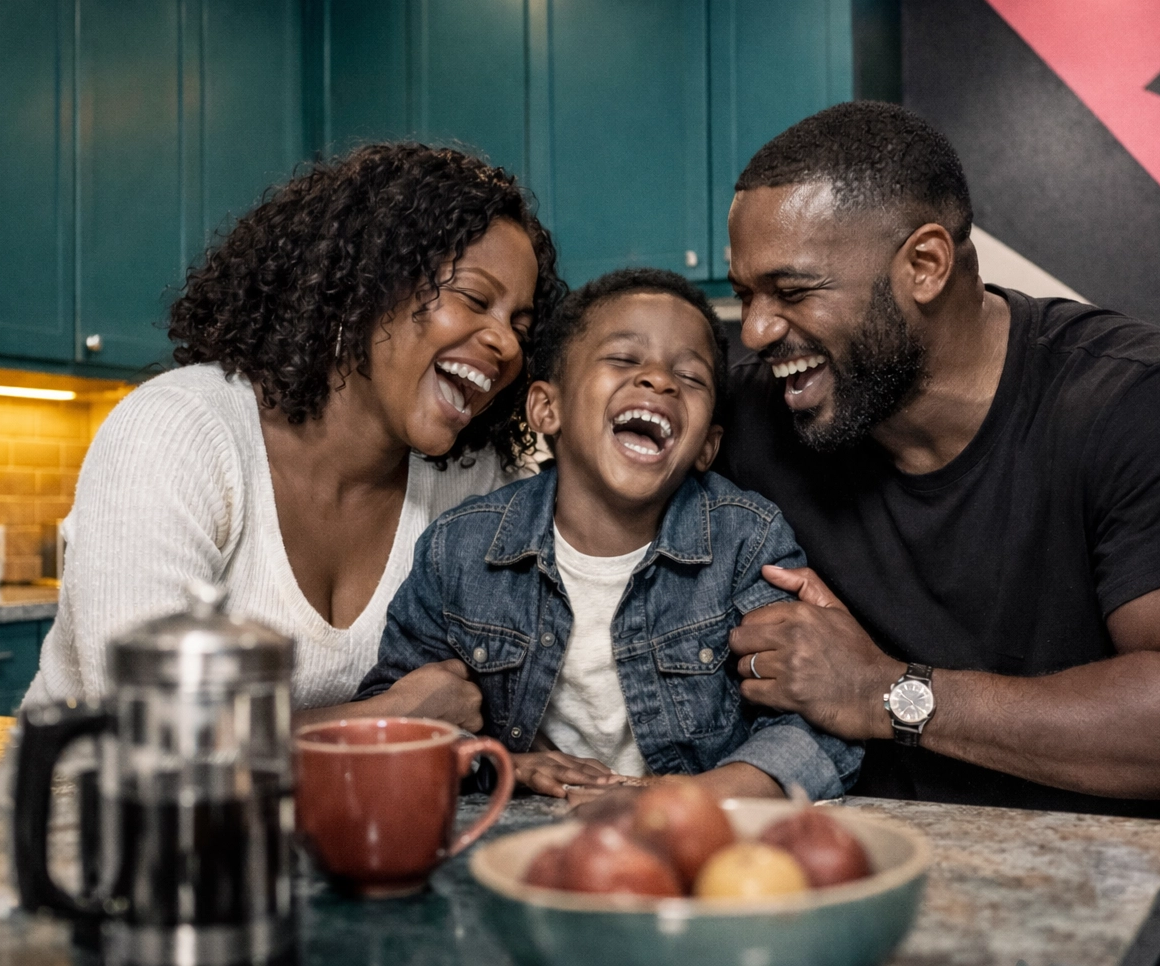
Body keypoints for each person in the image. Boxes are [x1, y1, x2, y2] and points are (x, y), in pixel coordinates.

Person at [715, 102, 1160, 965]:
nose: (755, 330)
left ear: (925, 264)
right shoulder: (762, 409)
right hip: (904, 835)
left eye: (792, 290)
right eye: (745, 294)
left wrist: (886, 692)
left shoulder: (1136, 396)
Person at [24, 143, 566, 731]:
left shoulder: (470, 479)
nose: (506, 344)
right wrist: (380, 723)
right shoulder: (178, 431)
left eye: (520, 327)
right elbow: (149, 725)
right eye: (475, 299)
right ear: (364, 284)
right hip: (78, 789)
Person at [356, 269, 862, 803]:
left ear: (707, 447)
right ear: (546, 408)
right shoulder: (459, 548)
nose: (660, 381)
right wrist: (505, 766)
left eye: (690, 377)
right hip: (531, 837)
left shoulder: (747, 540)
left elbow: (817, 724)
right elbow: (400, 720)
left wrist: (684, 800)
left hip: (701, 833)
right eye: (623, 359)